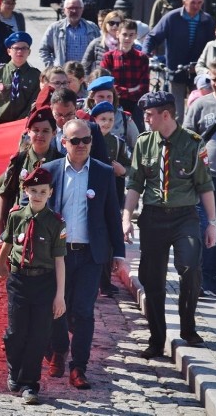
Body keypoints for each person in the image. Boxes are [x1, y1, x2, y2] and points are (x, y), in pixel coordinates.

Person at [123, 91, 216, 359]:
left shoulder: (192, 143)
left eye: (149, 114)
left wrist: (212, 223)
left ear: (166, 115)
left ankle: (188, 328)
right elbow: (134, 184)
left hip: (184, 216)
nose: (146, 119)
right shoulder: (144, 142)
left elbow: (205, 185)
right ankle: (157, 339)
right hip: (153, 217)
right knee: (152, 280)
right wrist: (126, 217)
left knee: (190, 267)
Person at [40, 119, 126, 389]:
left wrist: (119, 254)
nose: (80, 145)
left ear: (92, 141)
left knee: (84, 311)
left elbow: (112, 215)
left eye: (85, 140)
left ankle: (79, 367)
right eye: (74, 140)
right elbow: (35, 209)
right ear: (63, 142)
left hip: (90, 254)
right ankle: (59, 350)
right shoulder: (49, 171)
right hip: (58, 254)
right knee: (57, 308)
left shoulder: (102, 172)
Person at [0, 166, 66, 405]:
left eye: (42, 191)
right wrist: (0, 264)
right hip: (19, 280)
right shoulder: (16, 216)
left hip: (44, 282)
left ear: (50, 193)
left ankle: (30, 384)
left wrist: (60, 295)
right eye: (33, 190)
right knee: (16, 332)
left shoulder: (56, 223)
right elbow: (7, 242)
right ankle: (14, 372)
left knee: (38, 334)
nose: (37, 195)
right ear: (26, 190)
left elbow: (59, 260)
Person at [144, 0, 216, 123]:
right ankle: (177, 141)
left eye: (200, 3)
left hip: (198, 72)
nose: (196, 6)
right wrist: (145, 55)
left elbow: (213, 44)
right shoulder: (172, 17)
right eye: (193, 3)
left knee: (198, 109)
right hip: (176, 70)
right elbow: (153, 37)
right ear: (184, 2)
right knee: (177, 113)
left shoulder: (207, 20)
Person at [184, 59, 216, 298]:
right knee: (207, 227)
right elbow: (188, 138)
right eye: (214, 79)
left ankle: (212, 276)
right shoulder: (201, 105)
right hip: (206, 179)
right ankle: (204, 277)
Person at [0, 108, 62, 237]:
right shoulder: (19, 160)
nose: (40, 134)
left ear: (54, 133)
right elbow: (4, 193)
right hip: (21, 225)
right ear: (28, 132)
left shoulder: (61, 161)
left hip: (49, 228)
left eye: (46, 131)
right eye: (35, 130)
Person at [90, 100, 131, 296]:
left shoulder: (117, 143)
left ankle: (105, 282)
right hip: (92, 194)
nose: (106, 123)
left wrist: (123, 171)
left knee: (108, 239)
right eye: (102, 119)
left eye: (110, 119)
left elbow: (131, 167)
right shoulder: (86, 139)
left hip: (112, 195)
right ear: (94, 120)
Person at [0, 32, 41, 127]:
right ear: (9, 51)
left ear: (29, 52)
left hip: (23, 126)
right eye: (16, 48)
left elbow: (34, 104)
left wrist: (21, 123)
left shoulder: (35, 76)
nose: (20, 52)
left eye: (24, 48)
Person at [101, 19, 149, 130]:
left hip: (135, 104)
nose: (127, 38)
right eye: (125, 34)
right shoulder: (108, 57)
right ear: (118, 34)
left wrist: (121, 91)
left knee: (139, 135)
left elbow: (144, 87)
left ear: (136, 36)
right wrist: (129, 90)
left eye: (131, 35)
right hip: (114, 103)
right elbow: (107, 84)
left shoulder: (142, 58)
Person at [39, 0, 101, 67]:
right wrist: (52, 69)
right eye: (71, 8)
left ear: (82, 9)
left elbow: (100, 50)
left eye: (77, 8)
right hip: (63, 74)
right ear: (64, 10)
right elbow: (43, 50)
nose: (74, 11)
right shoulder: (55, 28)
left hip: (86, 74)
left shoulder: (92, 27)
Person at [81, 10, 124, 75]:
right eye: (111, 23)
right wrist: (88, 81)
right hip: (100, 81)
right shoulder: (96, 43)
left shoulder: (126, 43)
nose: (115, 26)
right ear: (105, 24)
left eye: (118, 24)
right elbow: (85, 66)